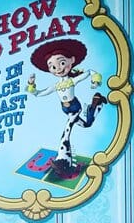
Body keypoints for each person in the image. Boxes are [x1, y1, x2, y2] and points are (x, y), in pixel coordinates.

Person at [26, 38, 107, 178]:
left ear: (71, 61)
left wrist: (96, 79)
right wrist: (31, 84)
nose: (57, 69)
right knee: (86, 124)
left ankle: (63, 160)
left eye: (62, 63)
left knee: (66, 132)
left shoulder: (71, 81)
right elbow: (38, 94)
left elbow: (88, 72)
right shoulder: (56, 86)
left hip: (75, 108)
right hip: (66, 110)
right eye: (52, 66)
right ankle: (96, 103)